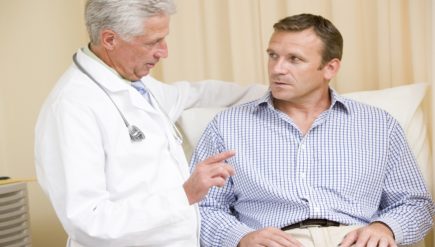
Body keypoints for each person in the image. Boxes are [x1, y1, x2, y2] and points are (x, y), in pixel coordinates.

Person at [190, 13, 434, 247]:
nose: (277, 69)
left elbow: (415, 203)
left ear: (330, 68)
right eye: (273, 55)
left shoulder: (380, 126)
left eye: (294, 59)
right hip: (277, 240)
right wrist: (240, 238)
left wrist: (385, 227)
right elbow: (203, 206)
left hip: (354, 238)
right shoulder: (227, 126)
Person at [34, 0, 265, 246]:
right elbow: (88, 221)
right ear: (110, 39)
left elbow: (197, 94)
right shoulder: (73, 106)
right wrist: (185, 194)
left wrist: (271, 93)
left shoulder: (137, 85)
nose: (164, 52)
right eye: (153, 42)